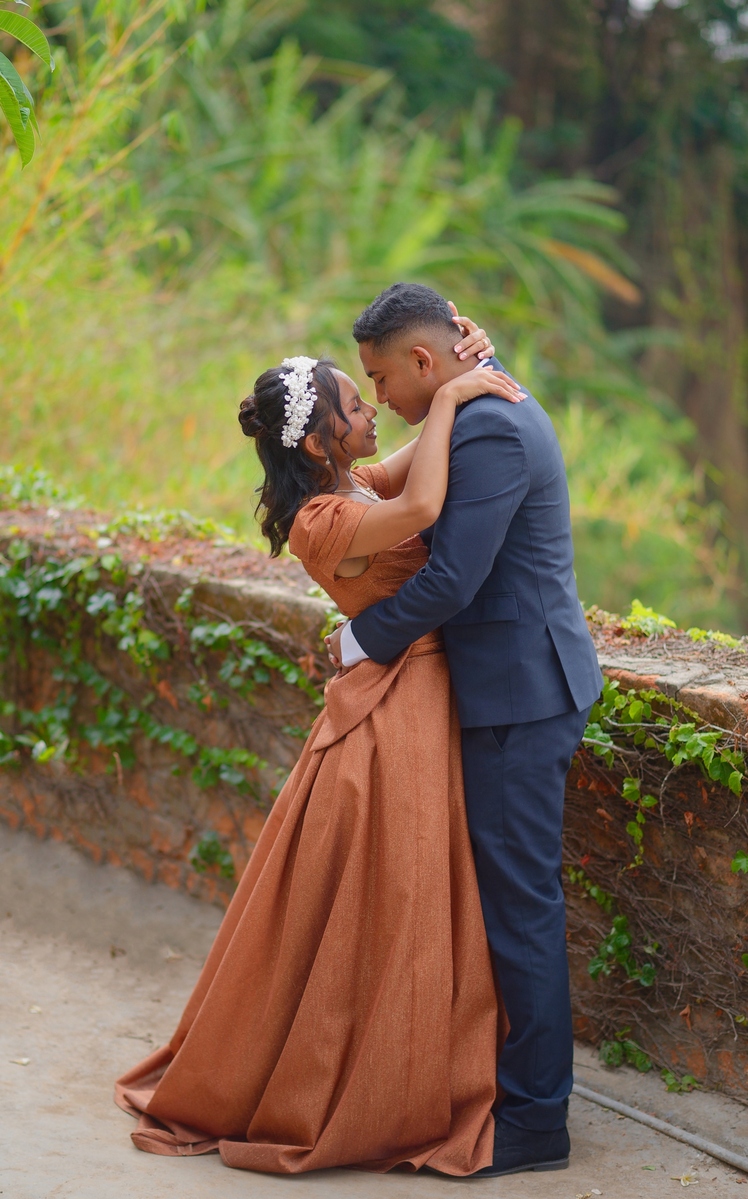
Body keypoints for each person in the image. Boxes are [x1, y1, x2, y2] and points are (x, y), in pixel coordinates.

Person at [115, 311, 526, 1176]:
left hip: (417, 684)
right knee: (404, 889)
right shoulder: (321, 520)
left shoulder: (353, 482)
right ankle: (380, 1080)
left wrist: (469, 369)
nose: (372, 408)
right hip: (399, 702)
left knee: (412, 885)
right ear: (315, 441)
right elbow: (424, 505)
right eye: (355, 401)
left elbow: (416, 461)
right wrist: (453, 395)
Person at [326, 281, 604, 1179]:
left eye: (381, 378)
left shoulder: (487, 426)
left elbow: (454, 579)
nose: (379, 399)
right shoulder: (477, 397)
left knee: (521, 906)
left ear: (423, 359)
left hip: (522, 693)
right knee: (509, 902)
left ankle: (536, 1122)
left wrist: (356, 640)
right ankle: (505, 1090)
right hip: (512, 687)